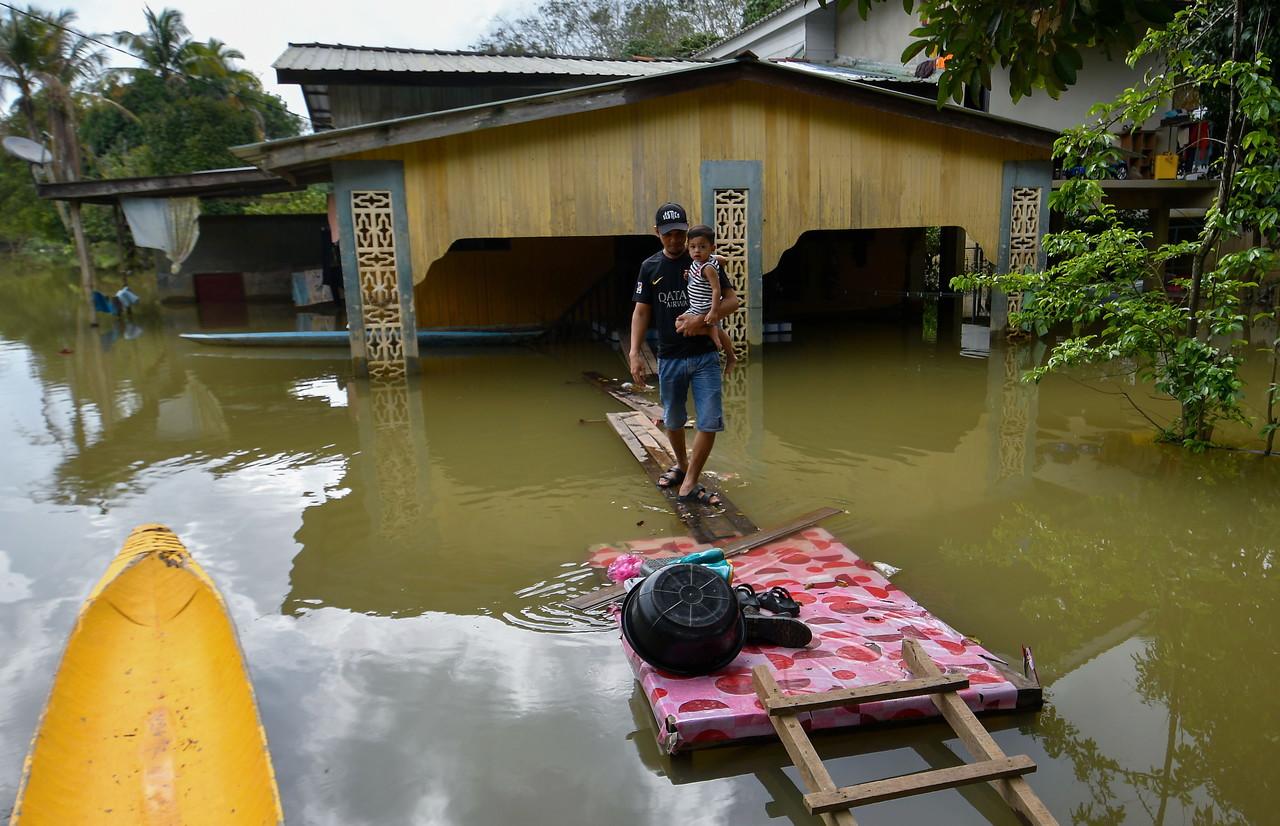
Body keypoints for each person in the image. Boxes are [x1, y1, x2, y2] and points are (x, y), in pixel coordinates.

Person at [629, 202, 740, 507]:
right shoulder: (650, 267)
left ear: (688, 230)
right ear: (657, 234)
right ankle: (680, 464)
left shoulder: (704, 262)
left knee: (709, 420)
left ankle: (690, 482)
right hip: (670, 357)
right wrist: (634, 352)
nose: (676, 240)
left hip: (704, 355)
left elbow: (733, 302)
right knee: (674, 418)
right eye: (669, 235)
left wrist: (700, 317)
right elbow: (641, 312)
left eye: (680, 233)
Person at [683, 224, 738, 374]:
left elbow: (716, 289)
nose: (697, 251)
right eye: (693, 247)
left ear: (712, 248)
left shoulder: (707, 267)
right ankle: (730, 354)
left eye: (702, 247)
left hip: (704, 306)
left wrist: (714, 311)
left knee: (679, 323)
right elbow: (722, 259)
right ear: (688, 247)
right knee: (719, 330)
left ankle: (714, 337)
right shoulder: (701, 262)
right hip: (700, 304)